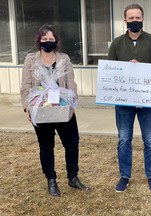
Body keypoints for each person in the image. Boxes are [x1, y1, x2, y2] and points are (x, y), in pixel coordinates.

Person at [20, 25, 90, 196]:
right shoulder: (31, 59)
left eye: (51, 39)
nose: (48, 42)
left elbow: (71, 83)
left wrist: (73, 104)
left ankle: (73, 178)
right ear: (39, 41)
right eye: (44, 39)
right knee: (46, 146)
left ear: (56, 41)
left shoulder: (63, 59)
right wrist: (27, 107)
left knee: (72, 143)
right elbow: (26, 86)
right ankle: (51, 180)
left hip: (63, 108)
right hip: (41, 109)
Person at [108, 4, 151, 192]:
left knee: (150, 140)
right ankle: (124, 176)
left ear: (143, 19)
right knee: (124, 139)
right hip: (124, 102)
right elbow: (111, 72)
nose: (134, 21)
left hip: (147, 101)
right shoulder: (116, 43)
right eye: (131, 18)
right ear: (125, 21)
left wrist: (140, 67)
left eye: (138, 18)